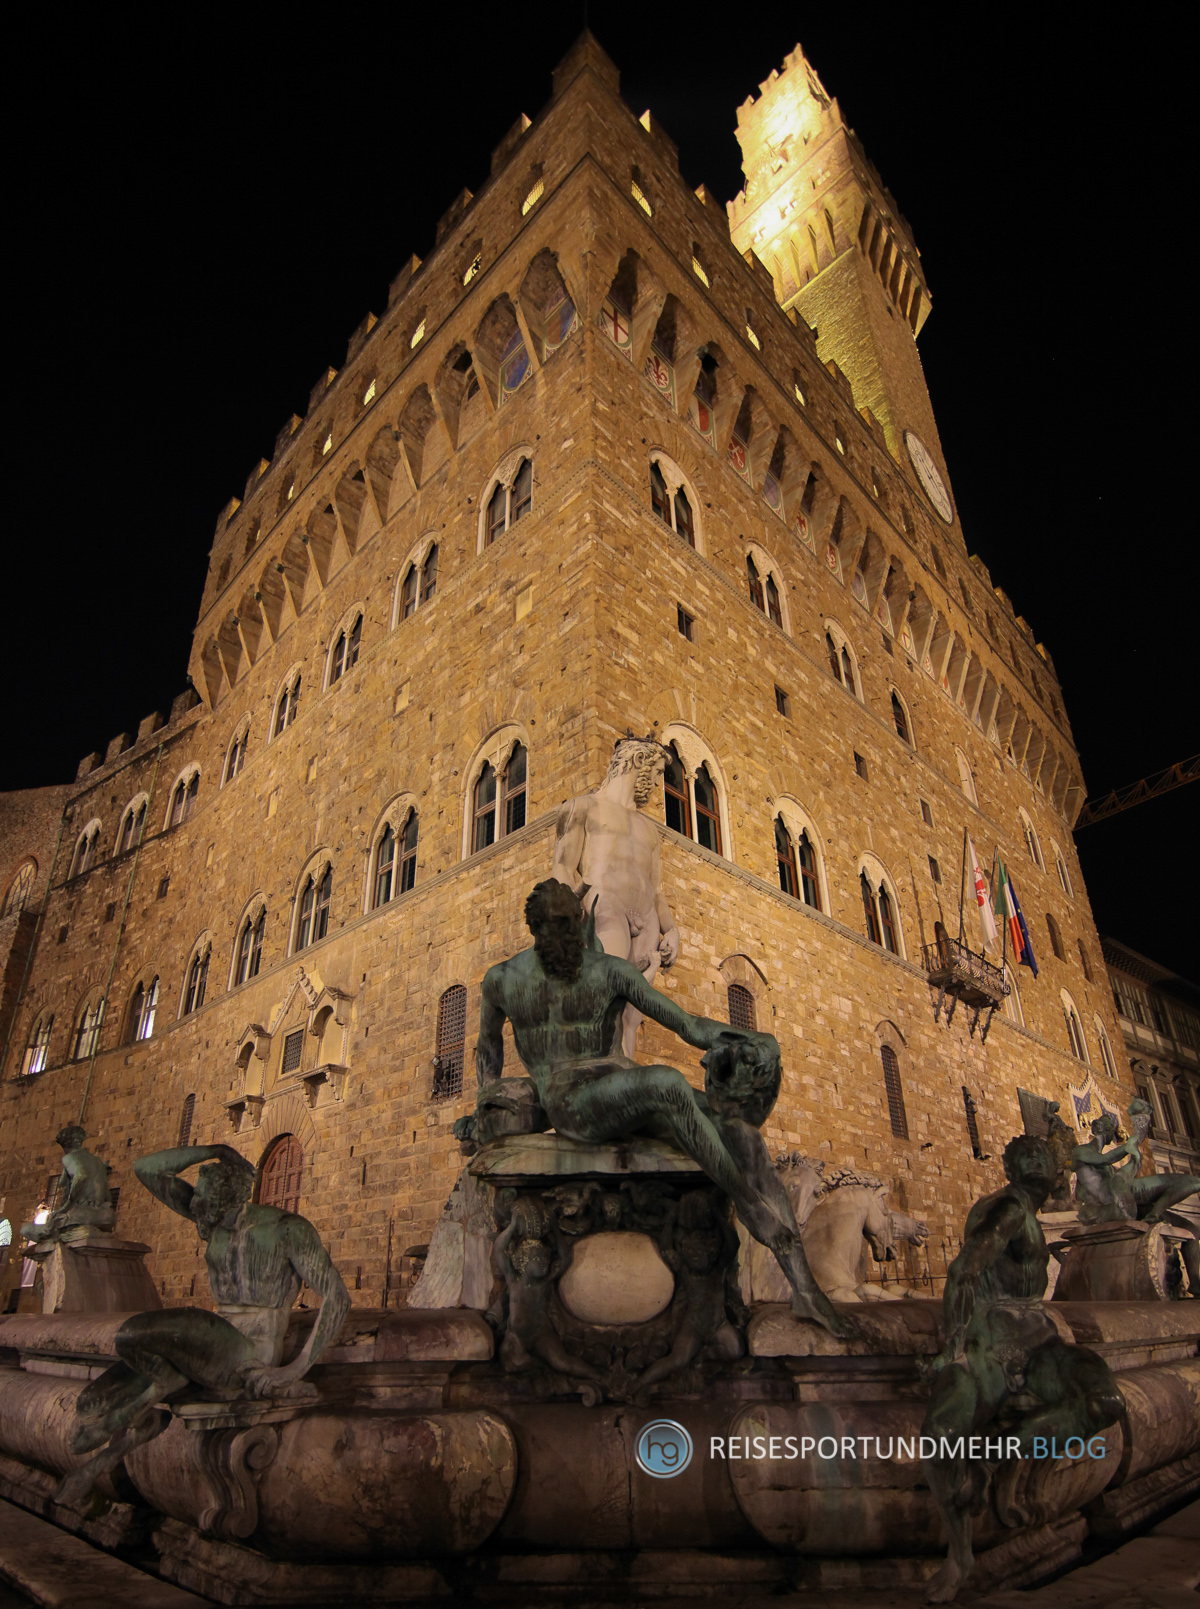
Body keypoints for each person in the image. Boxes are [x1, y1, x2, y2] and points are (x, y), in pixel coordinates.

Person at [473, 878, 853, 1338]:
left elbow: (687, 1025)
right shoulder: (503, 980)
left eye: (570, 924)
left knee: (740, 1133)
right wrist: (485, 1101)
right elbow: (488, 1047)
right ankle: (756, 1213)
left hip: (620, 1090)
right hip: (569, 1100)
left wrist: (750, 1040)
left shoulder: (610, 971)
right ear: (535, 928)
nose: (566, 935)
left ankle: (804, 1286)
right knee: (666, 1082)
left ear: (579, 920)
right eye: (554, 926)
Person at [56, 1143, 349, 1506]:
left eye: (202, 1197)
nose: (193, 1204)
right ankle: (146, 1409)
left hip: (249, 1352)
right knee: (90, 1405)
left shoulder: (287, 1229)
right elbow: (146, 1168)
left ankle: (148, 1401)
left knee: (131, 1335)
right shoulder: (212, 1222)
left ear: (228, 1198)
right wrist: (214, 1150)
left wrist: (293, 1370)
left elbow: (337, 1297)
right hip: (210, 1346)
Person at [920, 1135, 1123, 1603]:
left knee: (1106, 1400)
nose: (1036, 1162)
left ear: (1056, 1170)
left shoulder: (1027, 1212)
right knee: (940, 1435)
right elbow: (964, 1270)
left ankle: (993, 1454)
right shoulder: (1010, 1207)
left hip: (1040, 1343)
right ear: (1011, 1170)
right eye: (1026, 1157)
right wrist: (953, 1348)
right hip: (991, 1347)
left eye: (1042, 1156)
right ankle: (960, 1555)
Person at [552, 736, 680, 1057]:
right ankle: (597, 1075)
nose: (657, 784)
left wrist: (672, 930)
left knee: (632, 1015)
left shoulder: (650, 831)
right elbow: (563, 867)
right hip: (604, 909)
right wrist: (569, 914)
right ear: (637, 762)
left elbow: (657, 890)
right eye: (656, 772)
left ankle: (625, 1080)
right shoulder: (583, 807)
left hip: (646, 917)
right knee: (604, 1003)